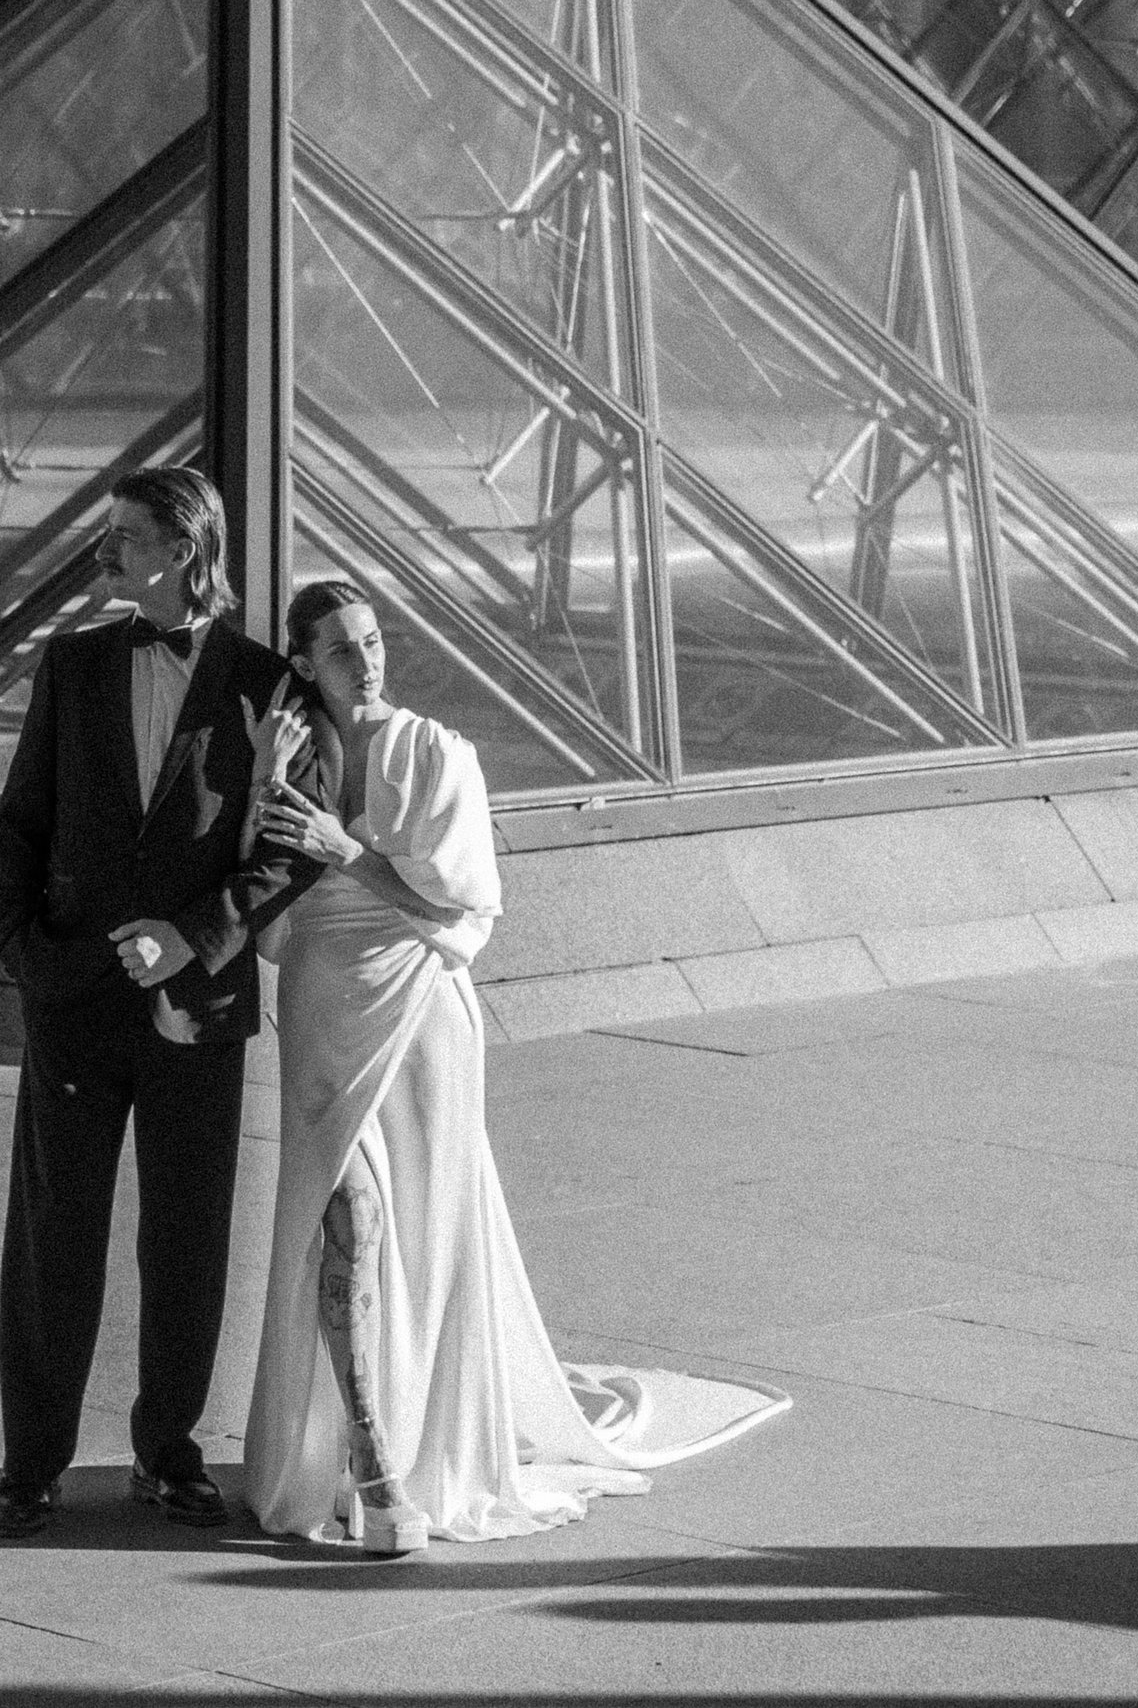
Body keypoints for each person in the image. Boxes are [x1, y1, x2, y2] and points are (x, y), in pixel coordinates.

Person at [240, 577, 783, 1555]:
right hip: (323, 1019)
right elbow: (271, 935)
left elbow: (464, 916)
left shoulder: (437, 755)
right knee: (347, 1221)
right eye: (341, 649)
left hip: (420, 1023)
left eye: (373, 641)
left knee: (417, 1238)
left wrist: (340, 850)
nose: (366, 662)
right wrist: (258, 801)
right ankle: (368, 1457)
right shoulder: (287, 765)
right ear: (303, 665)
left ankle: (393, 1465)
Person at [0, 460, 296, 1541]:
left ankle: (171, 1453)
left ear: (184, 551)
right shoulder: (68, 667)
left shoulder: (264, 681)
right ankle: (32, 1465)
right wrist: (26, 953)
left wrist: (193, 938)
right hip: (70, 997)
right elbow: (20, 822)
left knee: (187, 1240)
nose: (101, 550)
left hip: (194, 1007)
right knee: (52, 1242)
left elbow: (286, 854)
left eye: (122, 536)